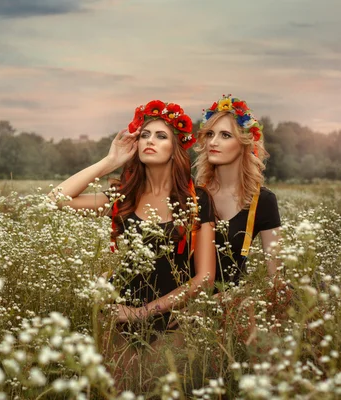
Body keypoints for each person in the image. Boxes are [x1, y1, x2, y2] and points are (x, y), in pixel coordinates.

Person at [49, 99, 216, 387]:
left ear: (175, 148)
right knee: (117, 389)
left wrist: (141, 313)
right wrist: (110, 161)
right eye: (144, 135)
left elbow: (205, 278)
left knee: (158, 388)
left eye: (160, 136)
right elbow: (55, 201)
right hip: (117, 318)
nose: (150, 140)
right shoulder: (122, 197)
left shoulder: (196, 200)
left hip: (171, 321)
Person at [194, 94, 281, 291]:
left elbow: (276, 278)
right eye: (210, 134)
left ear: (244, 143)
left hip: (232, 309)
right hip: (184, 307)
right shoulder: (192, 194)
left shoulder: (263, 201)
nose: (213, 142)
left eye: (225, 135)